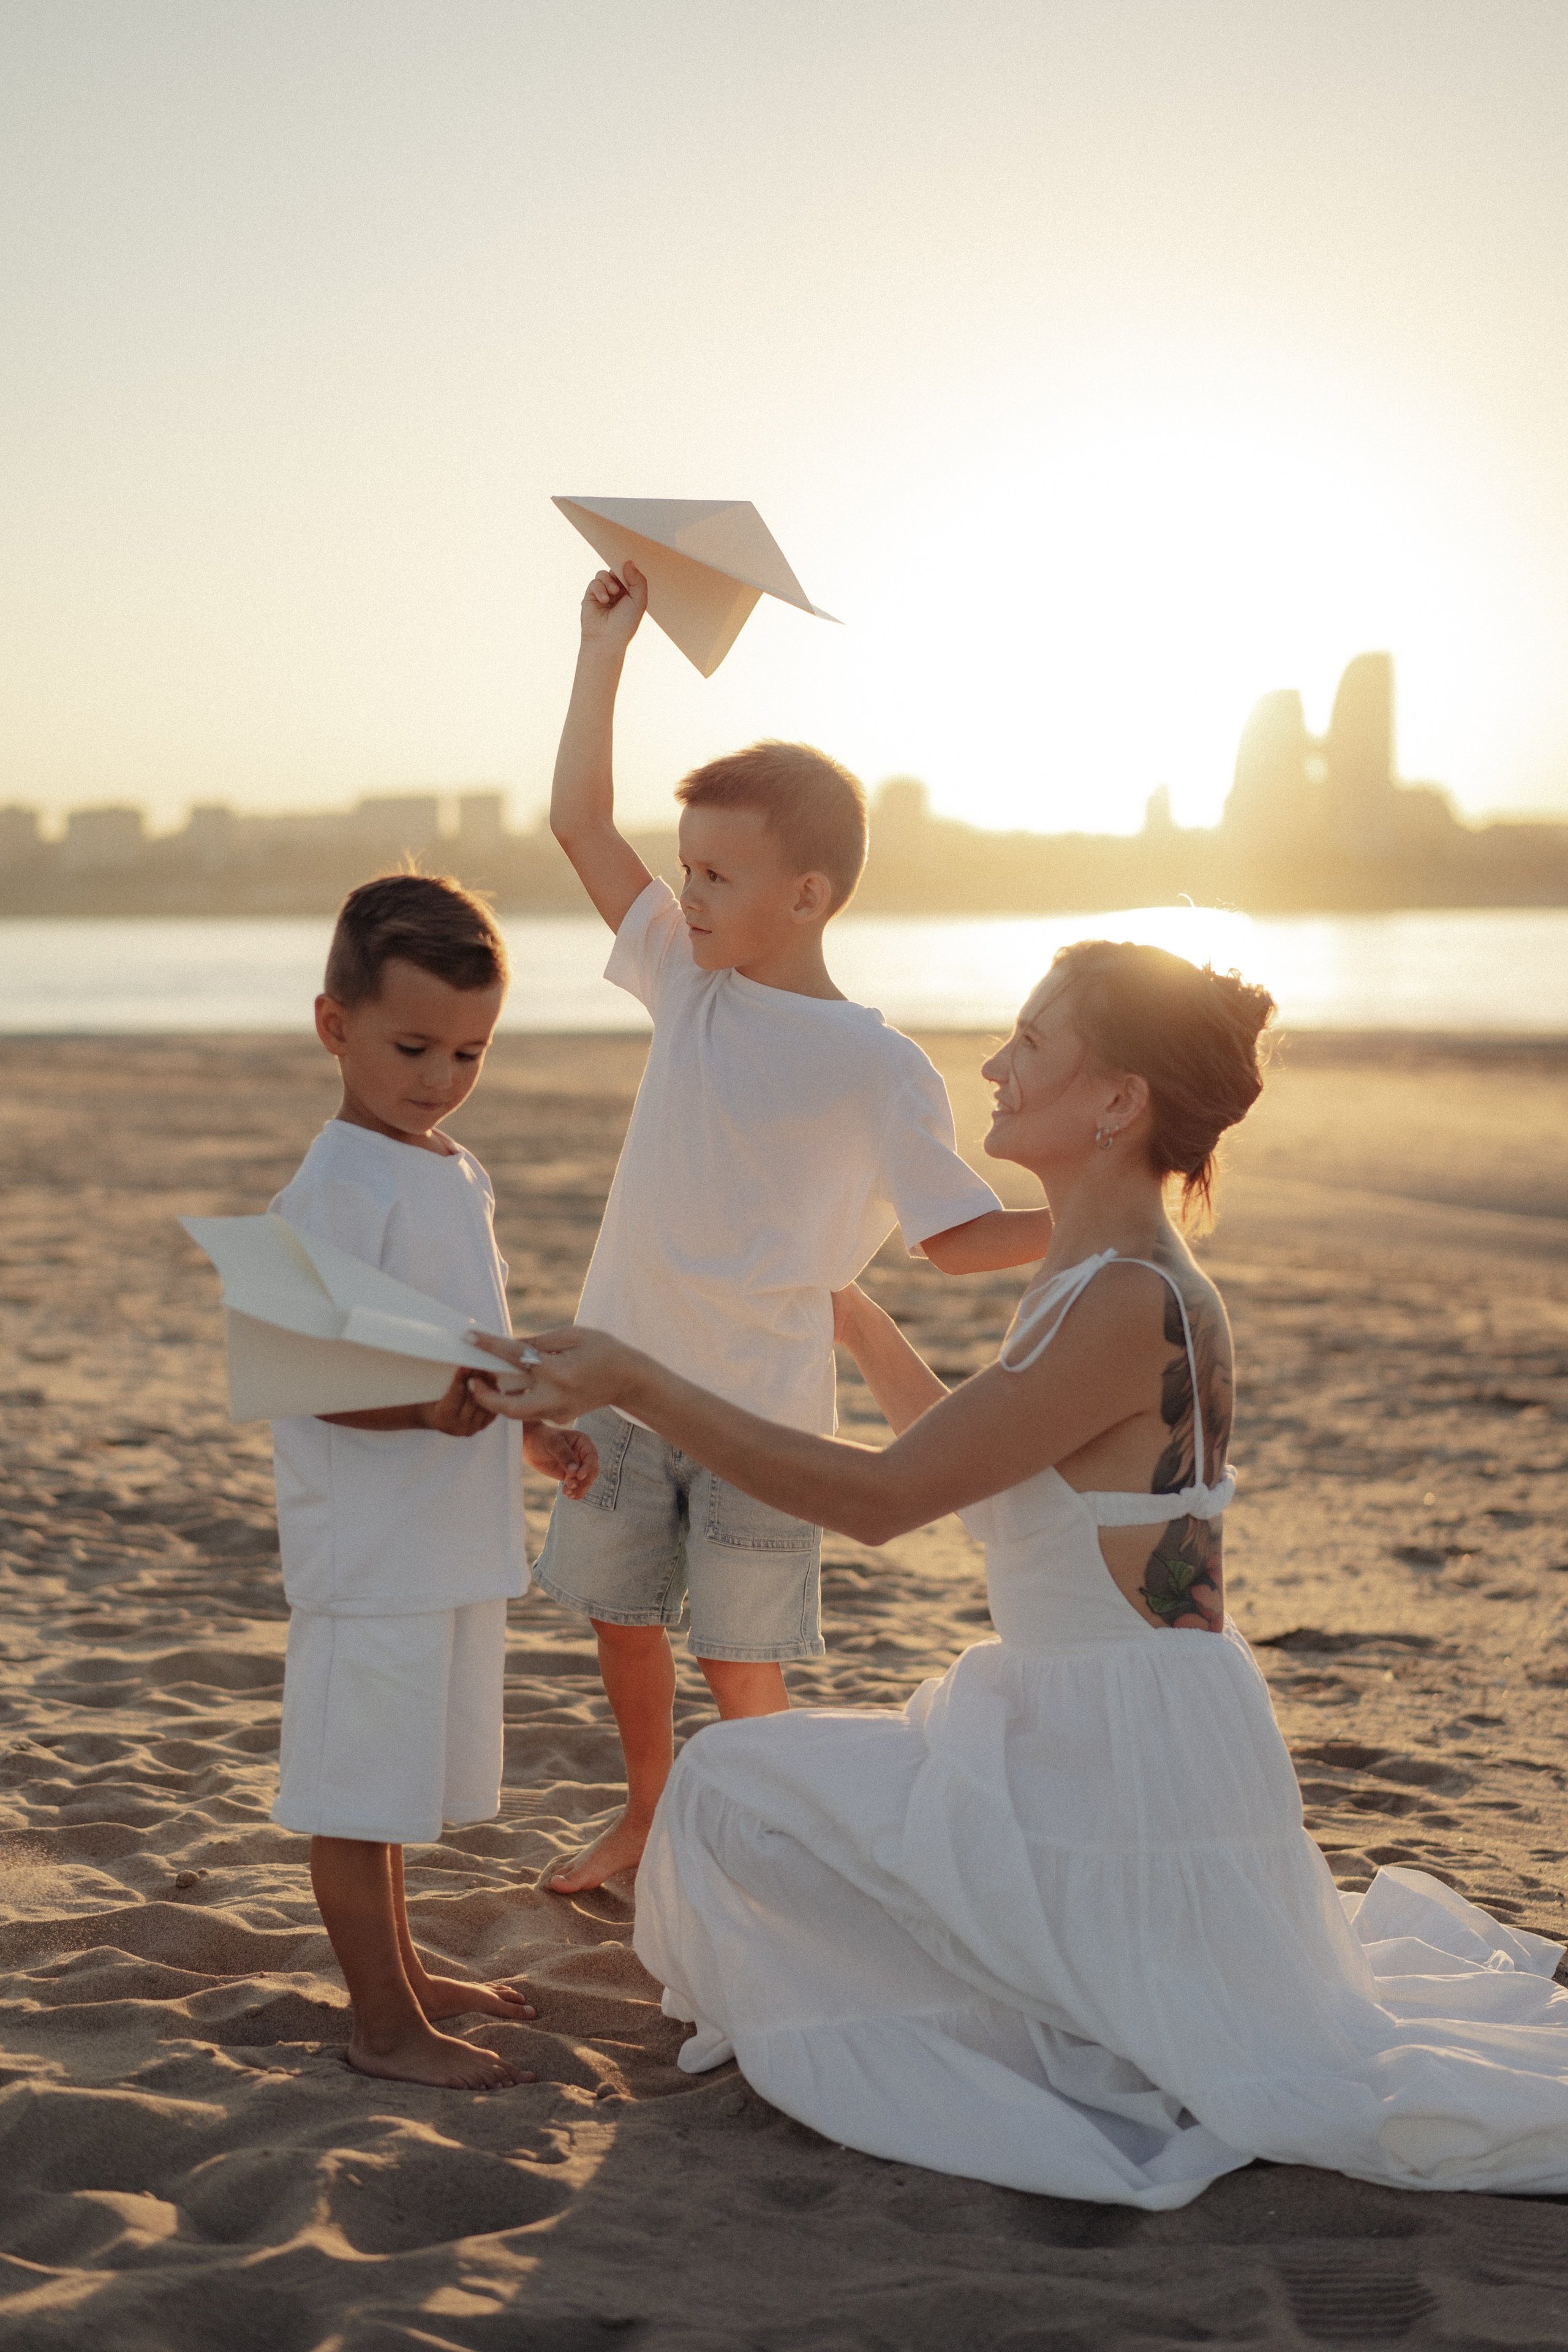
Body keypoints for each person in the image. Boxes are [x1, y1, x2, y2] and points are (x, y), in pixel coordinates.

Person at [472, 939, 1568, 2204]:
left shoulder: (1123, 1301)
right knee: (751, 1796)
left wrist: (642, 1383)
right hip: (1118, 1723)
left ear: (1118, 1102)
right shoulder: (1103, 1273)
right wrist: (857, 1318)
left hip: (1109, 1754)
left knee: (724, 1789)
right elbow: (1002, 1492)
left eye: (1031, 1045)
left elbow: (884, 1503)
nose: (992, 1065)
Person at [533, 560, 1055, 1894]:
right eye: (685, 869)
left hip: (764, 1406)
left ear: (809, 896)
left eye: (716, 874)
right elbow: (578, 822)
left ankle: (753, 1844)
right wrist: (605, 653)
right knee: (621, 1615)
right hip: (620, 1369)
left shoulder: (874, 1062)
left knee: (736, 1647)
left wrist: (1090, 1220)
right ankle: (651, 1811)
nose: (685, 895)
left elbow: (953, 1237)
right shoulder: (683, 983)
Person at [270, 872, 596, 2088]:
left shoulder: (450, 1167)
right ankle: (382, 2026)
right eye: (412, 1047)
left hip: (447, 1529)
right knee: (358, 1791)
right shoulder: (335, 1187)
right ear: (333, 1026)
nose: (440, 1078)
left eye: (468, 1052)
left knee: (398, 1778)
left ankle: (402, 1974)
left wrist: (526, 1433)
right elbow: (299, 1366)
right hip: (371, 1539)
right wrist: (421, 1407)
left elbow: (464, 1336)